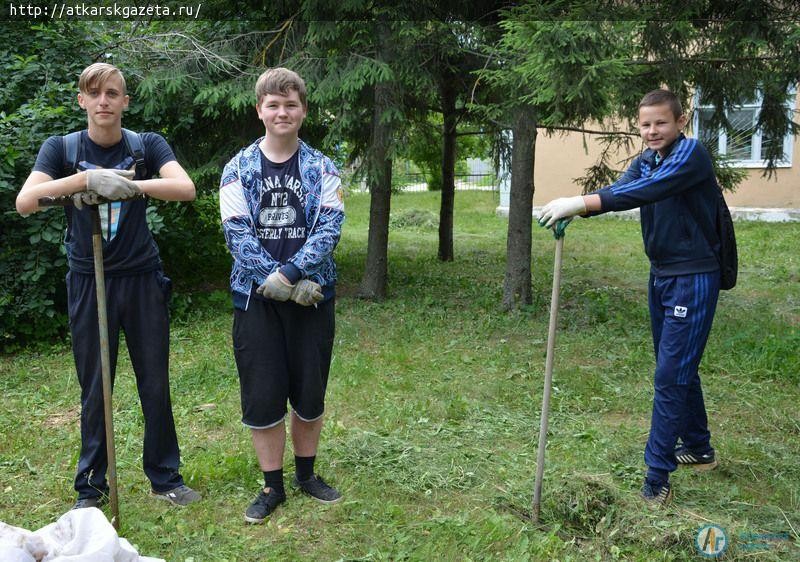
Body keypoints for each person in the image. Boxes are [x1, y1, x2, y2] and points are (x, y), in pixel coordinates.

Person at [16, 63, 201, 509]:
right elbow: (26, 202)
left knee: (154, 382)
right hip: (87, 280)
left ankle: (165, 477)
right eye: (95, 93)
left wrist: (130, 184)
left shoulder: (146, 145)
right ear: (82, 100)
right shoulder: (61, 148)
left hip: (141, 279)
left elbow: (186, 188)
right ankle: (90, 488)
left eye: (113, 94)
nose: (104, 101)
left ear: (124, 102)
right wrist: (85, 180)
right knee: (96, 386)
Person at [539, 89, 722, 505]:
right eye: (645, 124)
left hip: (693, 277)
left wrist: (581, 201)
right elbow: (624, 188)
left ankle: (657, 478)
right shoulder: (648, 160)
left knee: (670, 376)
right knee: (676, 365)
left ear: (680, 122)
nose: (652, 131)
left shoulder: (691, 156)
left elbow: (647, 191)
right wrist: (575, 211)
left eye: (661, 122)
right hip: (662, 275)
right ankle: (699, 447)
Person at [219, 67, 345, 523]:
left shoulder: (322, 167)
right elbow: (236, 232)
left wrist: (290, 274)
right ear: (260, 111)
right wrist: (274, 281)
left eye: (291, 104)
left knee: (309, 392)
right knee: (263, 394)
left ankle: (307, 475)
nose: (282, 112)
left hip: (314, 297)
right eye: (273, 104)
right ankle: (272, 485)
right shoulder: (238, 168)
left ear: (303, 111)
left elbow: (329, 226)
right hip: (255, 302)